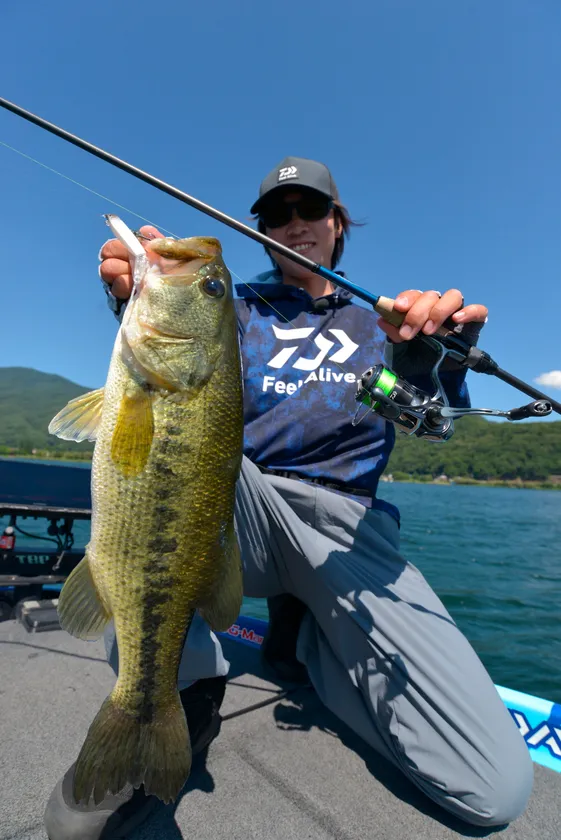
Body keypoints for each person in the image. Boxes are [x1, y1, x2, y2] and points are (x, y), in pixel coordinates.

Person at [44, 157, 533, 840]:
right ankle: (183, 689)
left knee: (494, 790)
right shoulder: (236, 307)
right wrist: (135, 297)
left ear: (338, 224)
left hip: (350, 529)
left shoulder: (383, 321)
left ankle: (306, 639)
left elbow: (438, 424)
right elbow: (169, 381)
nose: (295, 224)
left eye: (311, 210)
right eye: (277, 214)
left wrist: (431, 360)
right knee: (174, 470)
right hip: (236, 507)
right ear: (263, 230)